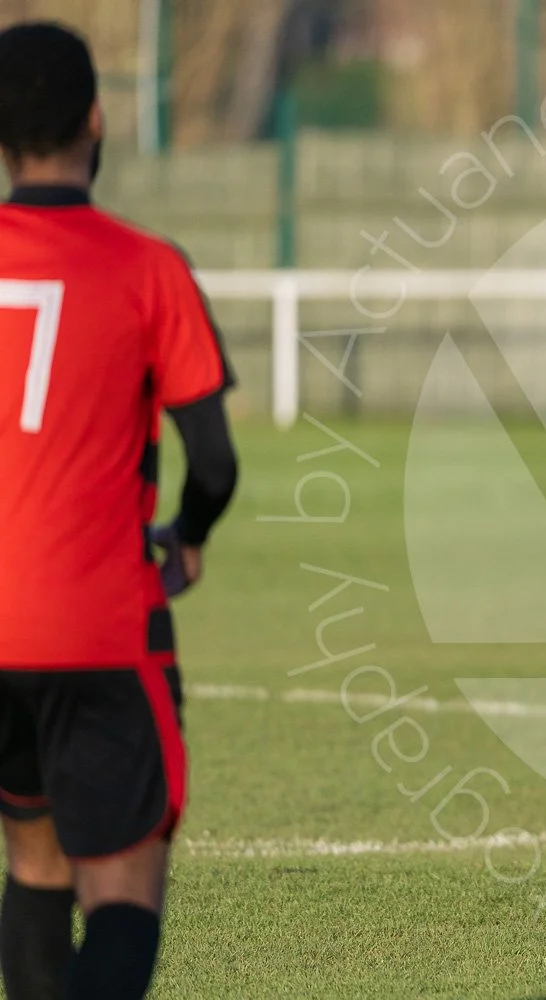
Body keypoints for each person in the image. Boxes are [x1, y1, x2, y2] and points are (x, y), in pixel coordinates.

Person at [0, 22, 238, 1000]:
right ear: (96, 119)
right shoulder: (145, 267)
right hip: (97, 625)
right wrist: (189, 536)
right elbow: (213, 462)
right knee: (122, 894)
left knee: (35, 862)